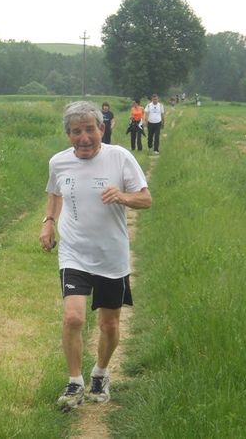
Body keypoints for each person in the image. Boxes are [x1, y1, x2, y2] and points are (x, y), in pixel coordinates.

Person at [39, 101, 152, 411]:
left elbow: (146, 199)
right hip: (74, 251)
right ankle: (75, 383)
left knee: (109, 325)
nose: (84, 137)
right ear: (68, 135)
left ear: (102, 129)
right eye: (76, 132)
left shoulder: (120, 158)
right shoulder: (59, 163)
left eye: (90, 129)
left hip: (111, 255)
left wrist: (123, 196)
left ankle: (100, 374)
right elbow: (55, 194)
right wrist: (48, 223)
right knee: (73, 317)